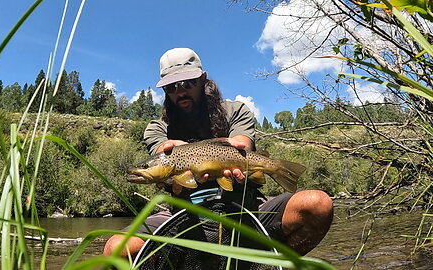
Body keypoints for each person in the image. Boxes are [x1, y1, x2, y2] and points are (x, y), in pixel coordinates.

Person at [103, 47, 333, 258]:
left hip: (246, 208)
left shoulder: (235, 110)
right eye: (171, 87)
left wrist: (229, 148)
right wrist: (172, 161)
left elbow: (242, 144)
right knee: (116, 249)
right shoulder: (157, 127)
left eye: (187, 83)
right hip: (184, 216)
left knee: (317, 204)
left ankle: (270, 263)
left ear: (202, 79)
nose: (180, 92)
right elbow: (161, 151)